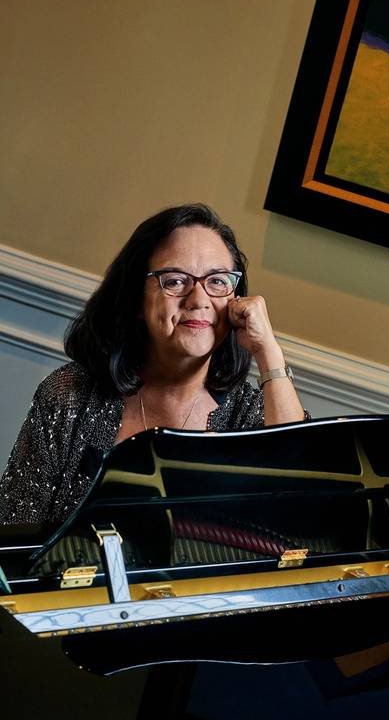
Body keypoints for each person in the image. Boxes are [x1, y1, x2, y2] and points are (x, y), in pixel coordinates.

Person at [0, 203, 308, 526]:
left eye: (217, 281)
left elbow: (302, 510)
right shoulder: (70, 396)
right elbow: (12, 535)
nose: (199, 299)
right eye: (175, 281)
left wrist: (268, 352)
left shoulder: (248, 414)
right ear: (136, 298)